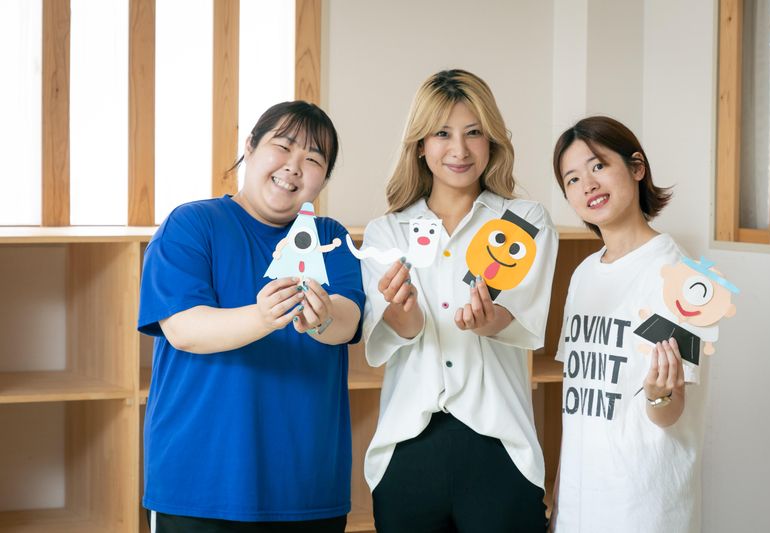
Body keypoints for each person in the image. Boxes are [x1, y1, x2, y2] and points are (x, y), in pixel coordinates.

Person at [138, 101, 365, 533]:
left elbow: (348, 321)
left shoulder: (329, 237)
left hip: (306, 488)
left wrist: (321, 318)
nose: (294, 166)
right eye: (283, 146)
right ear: (250, 147)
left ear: (323, 178)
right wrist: (263, 317)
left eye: (313, 159)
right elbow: (183, 329)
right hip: (198, 485)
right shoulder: (191, 224)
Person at [360, 69, 557, 532]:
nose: (459, 150)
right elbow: (392, 336)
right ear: (420, 145)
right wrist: (405, 314)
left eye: (474, 133)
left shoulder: (524, 222)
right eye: (442, 134)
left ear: (492, 140)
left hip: (502, 445)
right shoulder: (386, 232)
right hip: (406, 448)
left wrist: (489, 321)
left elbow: (524, 319)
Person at [550, 116, 709, 532]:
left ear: (637, 167)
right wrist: (560, 502)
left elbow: (671, 412)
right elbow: (579, 401)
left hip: (642, 508)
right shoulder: (582, 274)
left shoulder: (685, 279)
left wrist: (658, 396)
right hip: (578, 507)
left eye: (598, 166)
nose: (587, 185)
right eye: (572, 179)